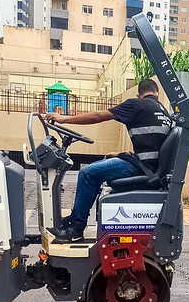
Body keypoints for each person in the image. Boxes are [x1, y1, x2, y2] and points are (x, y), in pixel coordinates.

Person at [44, 79, 172, 241]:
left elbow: (98, 116)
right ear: (156, 93)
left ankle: (76, 228)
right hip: (149, 165)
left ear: (139, 95)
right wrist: (121, 154)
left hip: (143, 167)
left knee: (87, 173)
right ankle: (76, 217)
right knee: (101, 167)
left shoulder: (136, 105)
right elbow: (152, 144)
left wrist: (63, 119)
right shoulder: (163, 111)